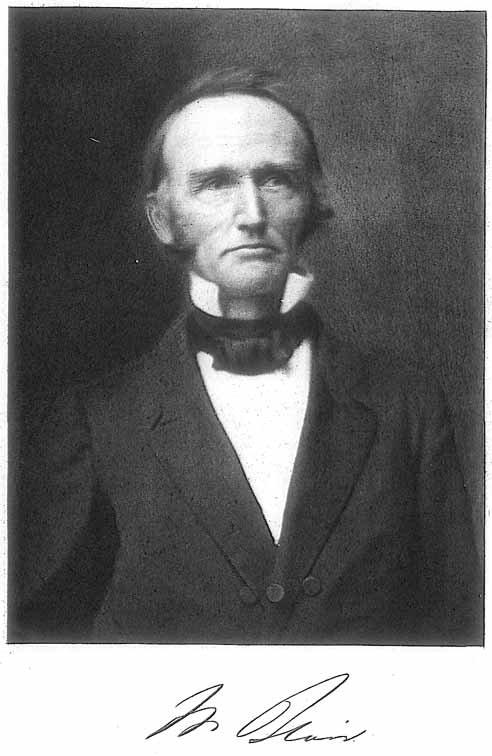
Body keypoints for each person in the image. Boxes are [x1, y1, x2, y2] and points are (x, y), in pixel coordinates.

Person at [13, 68, 480, 644]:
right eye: (215, 183)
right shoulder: (94, 418)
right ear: (163, 217)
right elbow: (33, 654)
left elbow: (459, 639)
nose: (252, 214)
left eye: (276, 180)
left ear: (314, 201)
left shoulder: (407, 404)